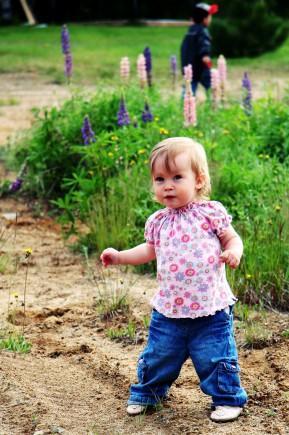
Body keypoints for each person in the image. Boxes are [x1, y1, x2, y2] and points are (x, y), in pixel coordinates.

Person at [100, 137, 247, 422]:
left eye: (177, 177)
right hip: (169, 309)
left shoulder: (209, 213)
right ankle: (147, 393)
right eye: (160, 179)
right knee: (159, 355)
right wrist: (119, 256)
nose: (167, 185)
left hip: (210, 308)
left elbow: (232, 237)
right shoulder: (158, 221)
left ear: (199, 180)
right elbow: (149, 251)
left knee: (216, 357)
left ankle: (227, 398)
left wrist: (233, 251)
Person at [181, 3, 218, 94]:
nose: (210, 19)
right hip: (200, 66)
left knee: (189, 86)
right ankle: (213, 102)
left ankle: (184, 102)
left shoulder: (190, 31)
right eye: (210, 17)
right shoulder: (203, 31)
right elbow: (204, 44)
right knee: (211, 85)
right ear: (204, 19)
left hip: (188, 66)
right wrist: (205, 55)